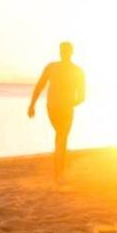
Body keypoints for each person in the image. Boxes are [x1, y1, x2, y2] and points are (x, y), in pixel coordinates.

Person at [28, 41, 86, 183]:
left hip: (55, 107)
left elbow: (40, 86)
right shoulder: (75, 70)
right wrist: (32, 104)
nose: (65, 53)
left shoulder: (54, 68)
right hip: (60, 108)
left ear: (63, 52)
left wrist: (32, 104)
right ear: (70, 52)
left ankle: (58, 173)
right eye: (65, 51)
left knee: (60, 137)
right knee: (62, 137)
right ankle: (59, 174)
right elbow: (82, 97)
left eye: (65, 51)